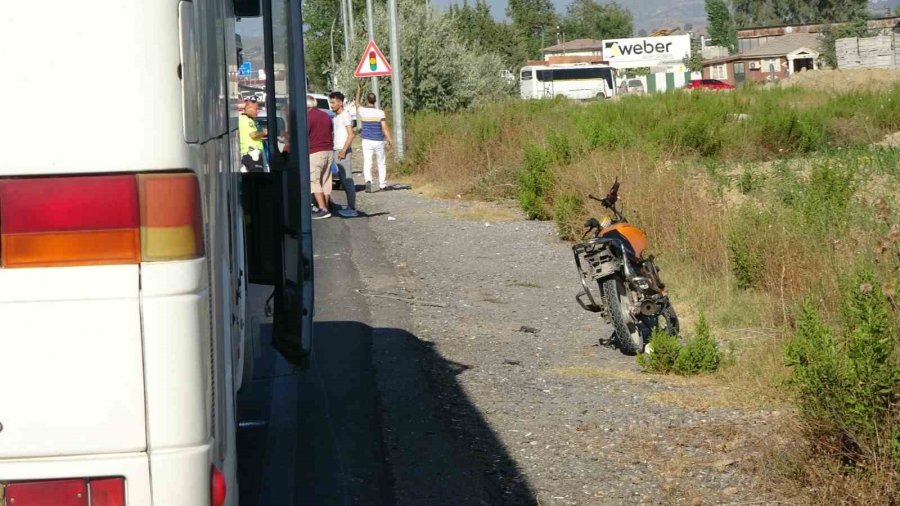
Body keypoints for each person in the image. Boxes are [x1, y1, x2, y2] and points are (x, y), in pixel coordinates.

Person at [355, 82, 393, 193]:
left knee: (368, 162)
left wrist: (359, 90)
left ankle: (368, 181)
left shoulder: (363, 111)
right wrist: (390, 140)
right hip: (379, 141)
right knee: (381, 162)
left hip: (366, 140)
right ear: (375, 101)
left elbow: (356, 103)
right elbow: (384, 128)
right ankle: (382, 185)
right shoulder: (380, 113)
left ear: (367, 100)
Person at [329, 91, 359, 217]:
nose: (331, 105)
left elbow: (351, 134)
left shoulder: (345, 116)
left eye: (333, 102)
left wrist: (343, 150)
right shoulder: (336, 116)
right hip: (337, 149)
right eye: (330, 102)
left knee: (347, 179)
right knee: (342, 179)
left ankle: (352, 208)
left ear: (340, 103)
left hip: (343, 151)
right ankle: (349, 207)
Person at [307, 94, 334, 219]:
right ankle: (327, 206)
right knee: (326, 180)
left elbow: (304, 134)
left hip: (315, 151)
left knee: (314, 180)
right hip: (329, 150)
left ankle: (322, 208)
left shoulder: (308, 117)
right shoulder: (325, 115)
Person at [239, 98, 266, 172]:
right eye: (256, 109)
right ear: (248, 108)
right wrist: (264, 133)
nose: (257, 112)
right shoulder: (246, 120)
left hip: (249, 154)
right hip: (252, 154)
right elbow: (253, 135)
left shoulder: (248, 120)